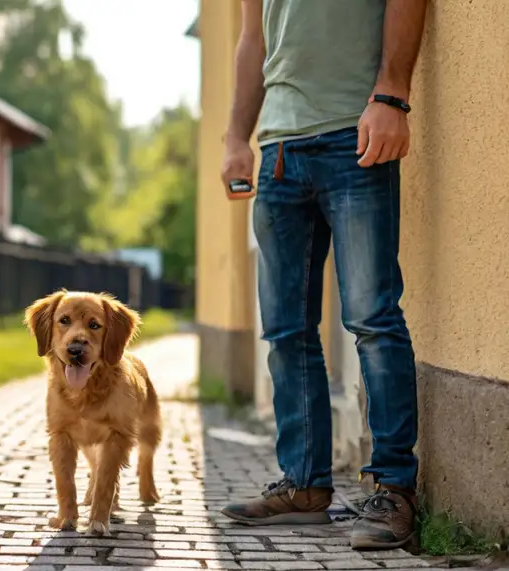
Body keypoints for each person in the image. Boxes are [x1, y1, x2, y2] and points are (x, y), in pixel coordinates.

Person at [217, 0, 427, 550]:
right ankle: (305, 485)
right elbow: (252, 40)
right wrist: (237, 137)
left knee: (372, 320)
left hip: (354, 134)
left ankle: (392, 487)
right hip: (279, 150)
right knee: (286, 332)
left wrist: (391, 96)